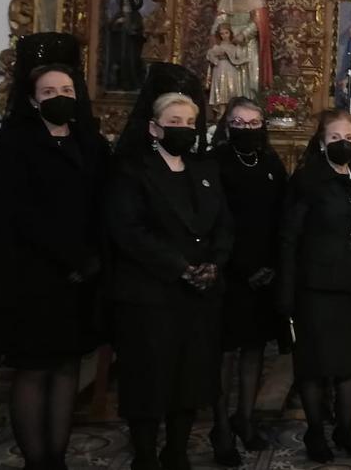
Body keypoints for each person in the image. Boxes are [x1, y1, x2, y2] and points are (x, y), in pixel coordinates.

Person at [0, 33, 108, 470]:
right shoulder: (18, 143)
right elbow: (20, 213)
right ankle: (38, 460)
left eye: (67, 90)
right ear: (34, 101)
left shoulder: (89, 142)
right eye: (50, 92)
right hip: (34, 274)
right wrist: (68, 258)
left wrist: (91, 257)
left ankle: (57, 455)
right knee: (35, 369)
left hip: (80, 277)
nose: (60, 97)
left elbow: (101, 204)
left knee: (68, 366)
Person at [106, 65, 231, 470]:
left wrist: (213, 263)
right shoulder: (131, 170)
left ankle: (176, 452)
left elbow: (224, 225)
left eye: (191, 123)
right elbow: (129, 230)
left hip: (199, 296)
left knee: (191, 378)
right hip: (150, 294)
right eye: (175, 121)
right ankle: (144, 455)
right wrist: (179, 266)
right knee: (148, 378)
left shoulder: (205, 169)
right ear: (155, 128)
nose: (185, 128)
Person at [277, 110, 351, 463]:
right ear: (322, 142)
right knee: (315, 363)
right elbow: (289, 238)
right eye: (336, 139)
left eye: (350, 139)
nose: (344, 144)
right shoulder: (307, 180)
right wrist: (286, 289)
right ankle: (315, 432)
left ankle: (345, 429)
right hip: (318, 286)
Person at [207, 97, 287, 464]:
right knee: (225, 352)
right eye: (240, 123)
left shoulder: (271, 162)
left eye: (254, 124)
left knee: (255, 348)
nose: (248, 130)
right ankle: (221, 425)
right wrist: (241, 267)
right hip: (230, 272)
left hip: (265, 271)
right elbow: (213, 221)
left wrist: (271, 264)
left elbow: (282, 216)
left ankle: (246, 416)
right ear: (228, 126)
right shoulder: (216, 162)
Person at [214, 0, 271, 98]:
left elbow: (258, 23)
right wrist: (225, 33)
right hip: (230, 42)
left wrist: (244, 35)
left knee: (251, 75)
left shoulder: (255, 0)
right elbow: (221, 20)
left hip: (248, 43)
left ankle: (251, 101)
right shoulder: (226, 0)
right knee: (230, 75)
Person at [104, 0, 146, 91]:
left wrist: (132, 29)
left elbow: (139, 28)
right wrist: (118, 23)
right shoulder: (118, 15)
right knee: (120, 63)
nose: (126, 4)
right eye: (124, 2)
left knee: (132, 63)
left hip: (132, 45)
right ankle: (119, 84)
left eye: (128, 2)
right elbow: (111, 28)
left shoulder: (136, 15)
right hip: (120, 44)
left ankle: (133, 84)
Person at [206, 24, 248, 109]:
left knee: (231, 89)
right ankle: (221, 112)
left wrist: (229, 55)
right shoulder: (216, 47)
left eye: (226, 33)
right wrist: (214, 56)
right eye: (222, 34)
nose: (224, 35)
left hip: (230, 69)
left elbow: (239, 58)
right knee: (220, 90)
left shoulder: (234, 47)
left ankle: (230, 111)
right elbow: (210, 57)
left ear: (230, 33)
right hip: (219, 68)